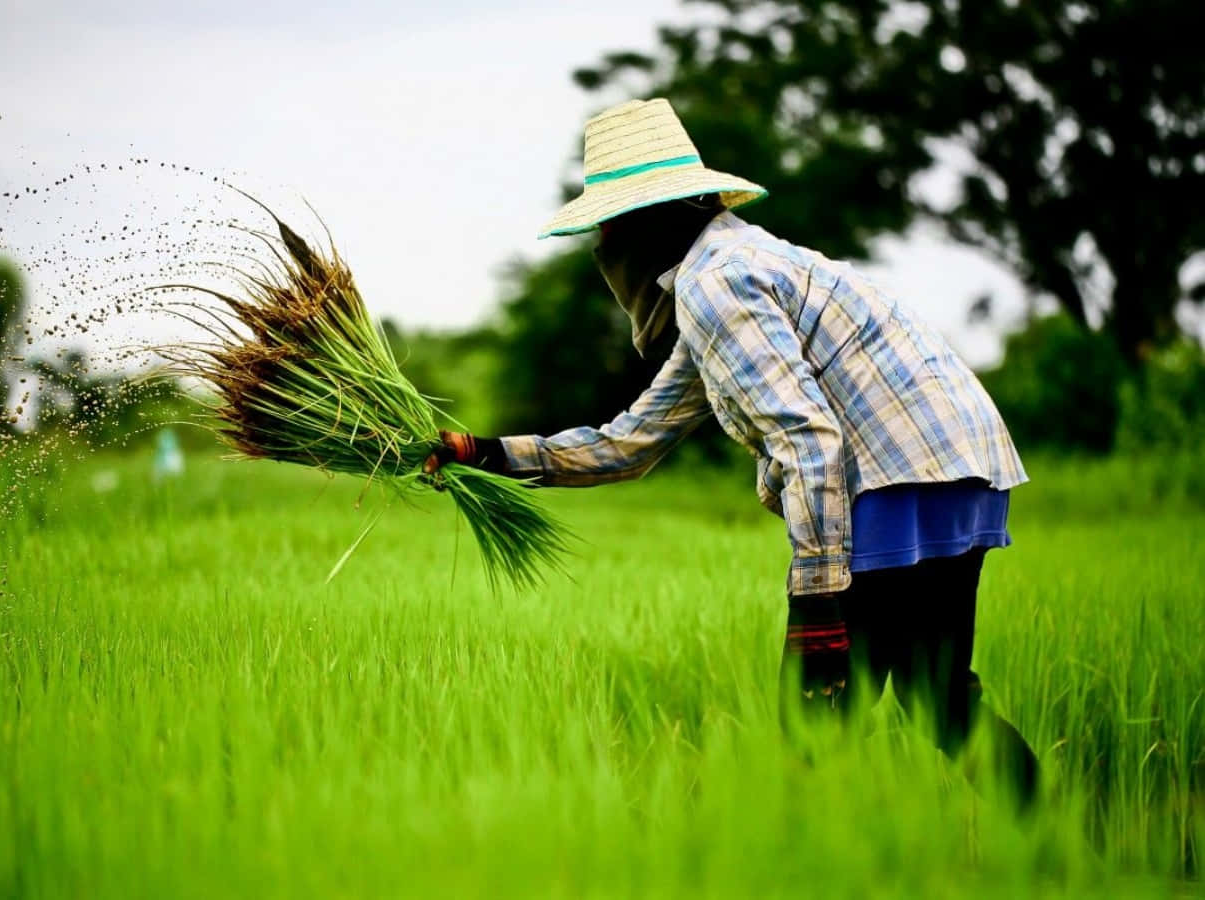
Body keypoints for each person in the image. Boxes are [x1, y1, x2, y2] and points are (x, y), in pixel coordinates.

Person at [424, 98, 1038, 808]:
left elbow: (807, 438)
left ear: (648, 223)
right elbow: (629, 442)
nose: (606, 252)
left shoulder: (716, 283)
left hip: (898, 481)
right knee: (938, 703)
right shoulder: (739, 265)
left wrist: (818, 599)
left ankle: (778, 865)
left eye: (610, 230)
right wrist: (486, 452)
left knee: (812, 723)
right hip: (960, 464)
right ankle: (1064, 848)